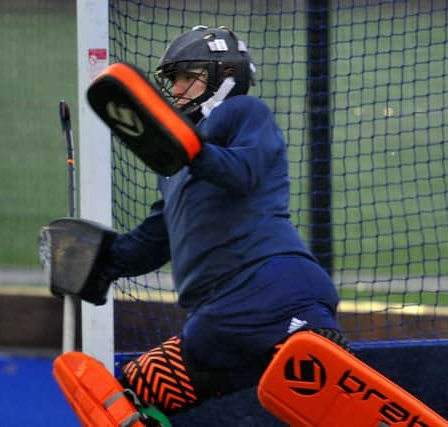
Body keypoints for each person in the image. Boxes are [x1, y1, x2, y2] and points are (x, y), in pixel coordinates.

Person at [96, 25, 347, 418]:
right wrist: (98, 262)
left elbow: (241, 171)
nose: (176, 89)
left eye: (188, 77)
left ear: (225, 76)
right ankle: (320, 371)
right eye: (173, 79)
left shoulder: (244, 112)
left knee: (314, 388)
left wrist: (191, 152)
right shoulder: (176, 164)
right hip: (220, 322)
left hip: (274, 291)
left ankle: (316, 355)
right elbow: (155, 239)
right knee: (129, 395)